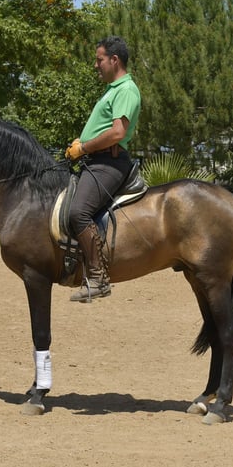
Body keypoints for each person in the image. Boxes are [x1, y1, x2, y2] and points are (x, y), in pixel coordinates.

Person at [65, 36, 142, 303]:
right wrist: (81, 144)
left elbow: (117, 132)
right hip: (95, 161)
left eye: (99, 60)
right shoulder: (112, 89)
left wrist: (84, 148)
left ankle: (98, 278)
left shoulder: (126, 90)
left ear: (114, 60)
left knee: (78, 212)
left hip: (108, 163)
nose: (96, 65)